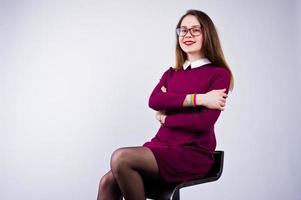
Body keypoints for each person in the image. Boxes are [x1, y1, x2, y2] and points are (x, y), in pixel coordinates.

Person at [97, 9, 234, 200]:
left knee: (121, 157)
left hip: (192, 152)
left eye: (195, 30)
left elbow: (202, 122)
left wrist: (167, 118)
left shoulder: (219, 74)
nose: (187, 35)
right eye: (183, 30)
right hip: (161, 146)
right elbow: (154, 101)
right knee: (107, 182)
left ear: (207, 34)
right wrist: (200, 99)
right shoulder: (171, 73)